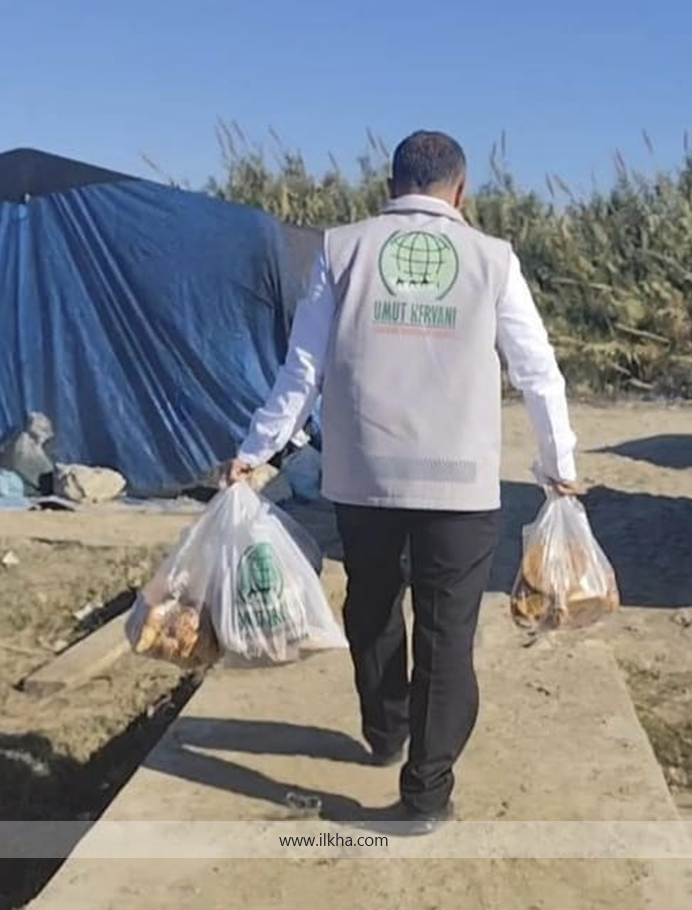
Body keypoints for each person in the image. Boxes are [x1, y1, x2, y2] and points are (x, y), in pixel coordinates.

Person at [224, 130, 578, 834]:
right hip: (461, 484)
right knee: (448, 634)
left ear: (391, 185)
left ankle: (385, 732)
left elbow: (304, 369)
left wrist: (254, 452)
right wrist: (559, 466)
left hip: (366, 477)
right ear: (461, 190)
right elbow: (536, 369)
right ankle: (426, 793)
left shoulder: (341, 248)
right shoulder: (492, 259)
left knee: (374, 603)